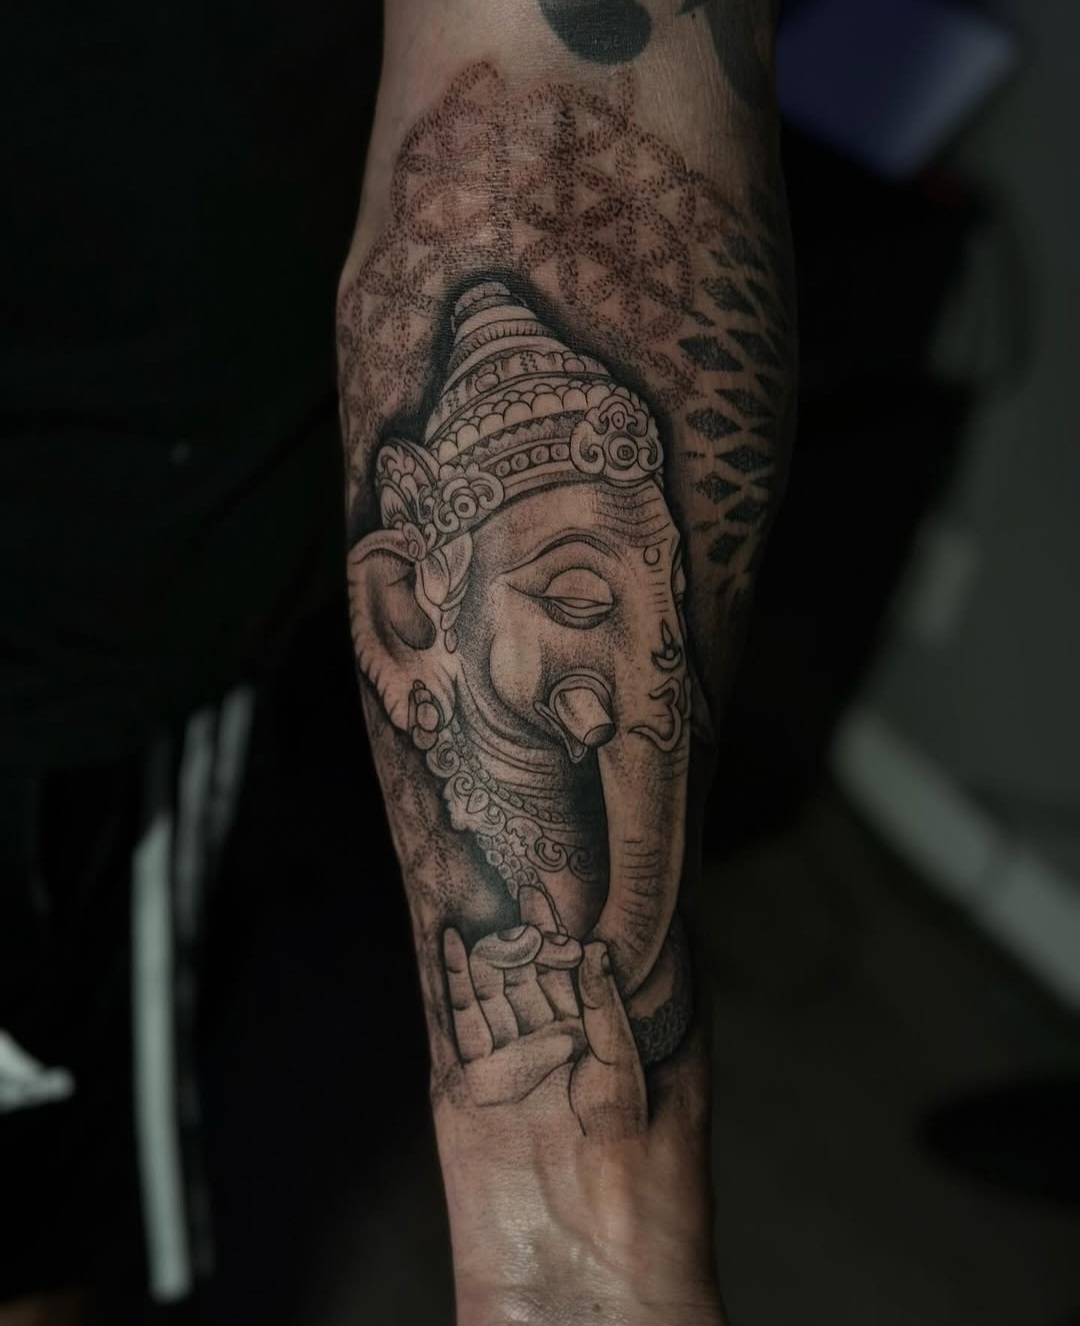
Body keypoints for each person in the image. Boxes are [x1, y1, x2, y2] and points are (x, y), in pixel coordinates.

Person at [1, 2, 794, 1323]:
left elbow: (556, 91)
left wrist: (576, 1238)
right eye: (574, 591)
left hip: (62, 603)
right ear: (412, 615)